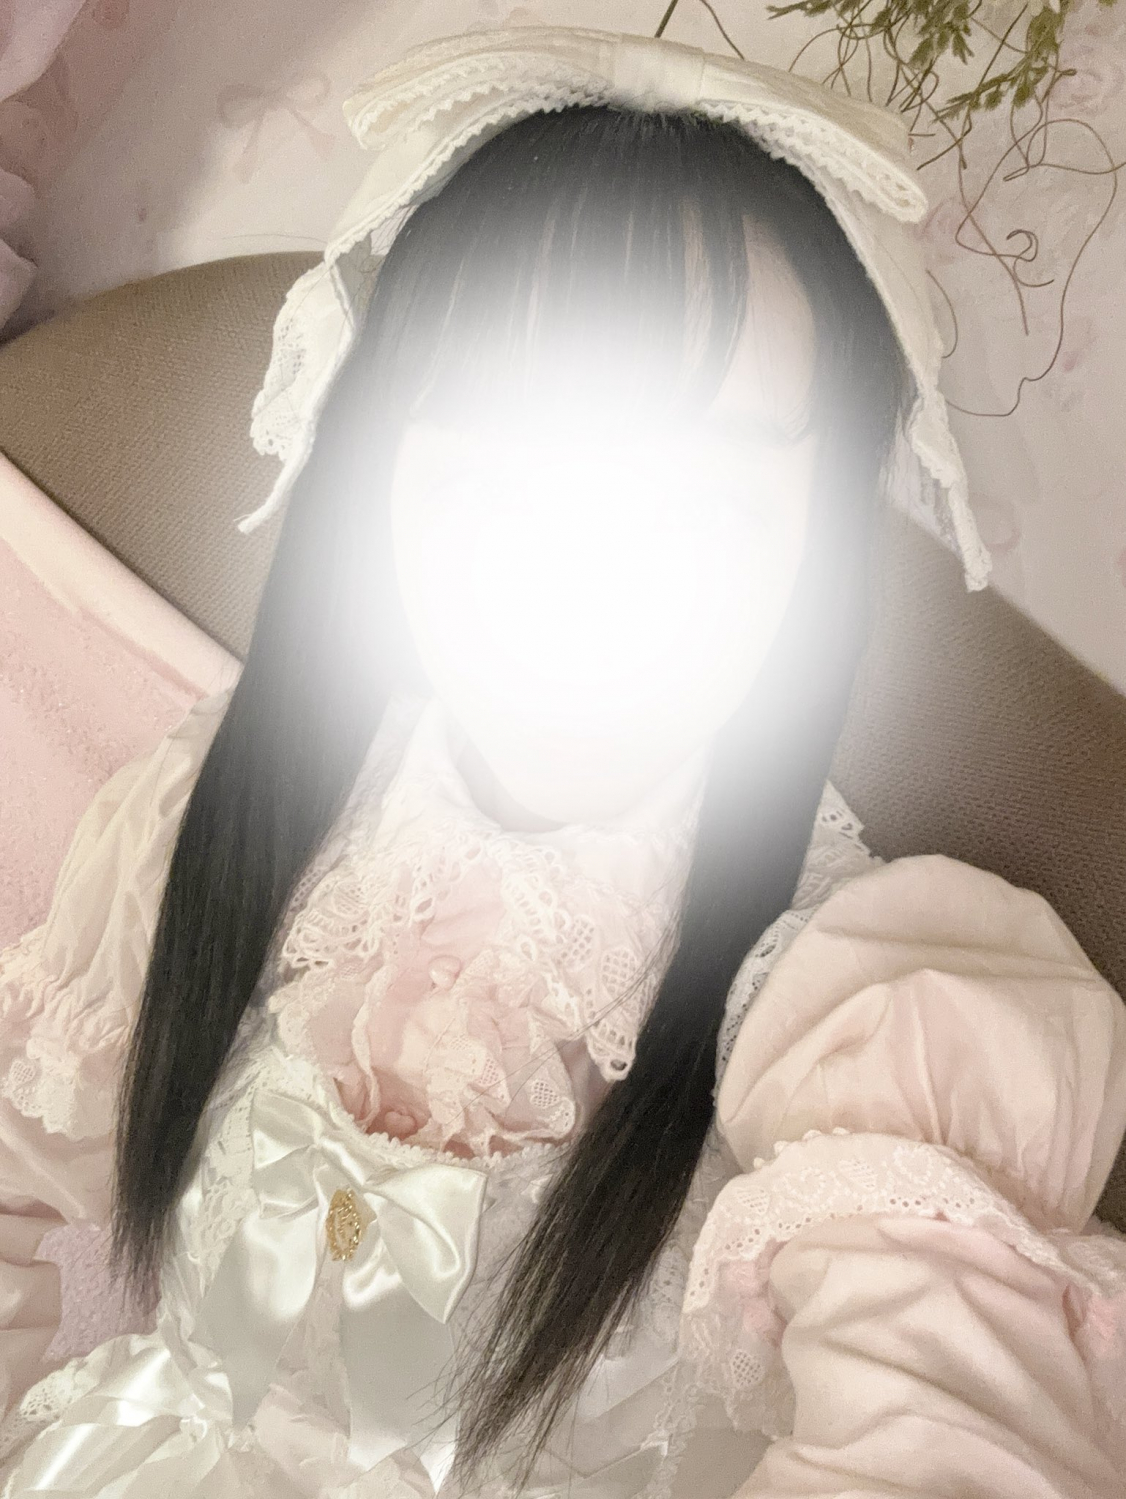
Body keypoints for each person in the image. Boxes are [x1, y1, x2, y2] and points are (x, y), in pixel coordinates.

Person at [0, 24, 1124, 1499]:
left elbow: (948, 1437)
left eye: (704, 508)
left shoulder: (870, 1008)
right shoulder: (211, 814)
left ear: (821, 557)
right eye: (491, 475)